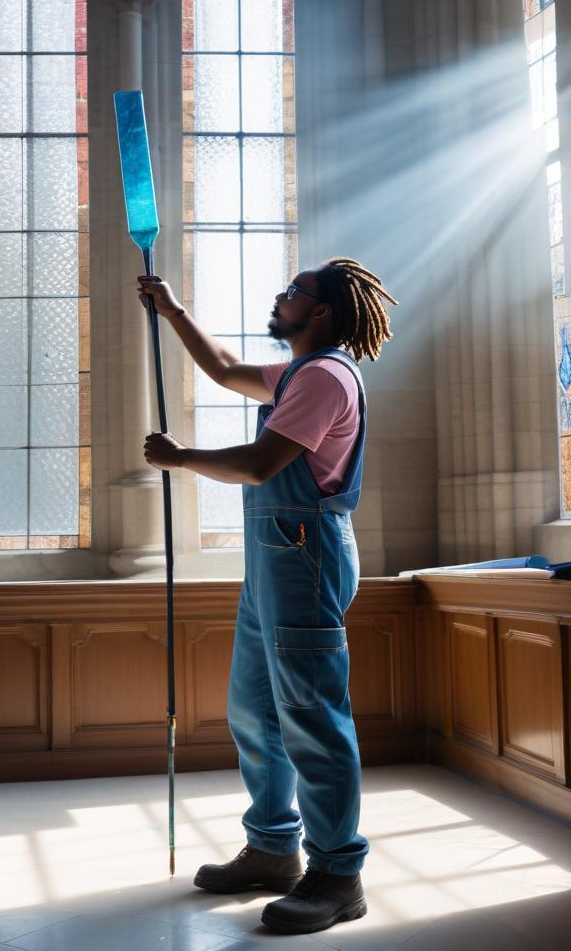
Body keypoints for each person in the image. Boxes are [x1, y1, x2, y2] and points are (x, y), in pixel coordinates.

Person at [139, 257, 397, 936]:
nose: (280, 298)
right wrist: (172, 311)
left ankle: (338, 874)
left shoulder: (324, 378)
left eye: (293, 292)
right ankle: (275, 850)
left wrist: (181, 458)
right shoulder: (296, 375)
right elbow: (224, 369)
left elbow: (259, 466)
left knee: (313, 718)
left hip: (304, 556)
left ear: (319, 313)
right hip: (273, 562)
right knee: (254, 711)